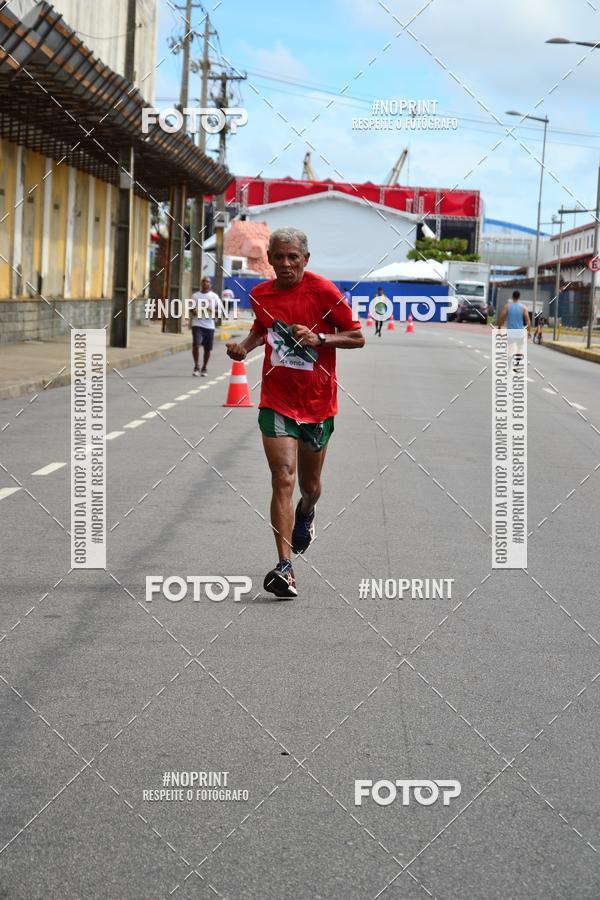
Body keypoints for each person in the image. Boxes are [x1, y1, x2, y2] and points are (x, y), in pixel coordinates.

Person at [226, 227, 365, 599]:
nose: (286, 264)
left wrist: (320, 338)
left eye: (293, 257)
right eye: (279, 257)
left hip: (317, 404)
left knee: (310, 487)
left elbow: (357, 336)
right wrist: (244, 347)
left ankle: (307, 512)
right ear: (269, 259)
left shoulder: (323, 292)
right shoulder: (260, 295)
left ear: (306, 259)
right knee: (282, 477)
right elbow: (262, 329)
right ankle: (284, 567)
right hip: (277, 400)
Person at [189, 276, 221, 376]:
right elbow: (191, 310)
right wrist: (197, 310)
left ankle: (204, 367)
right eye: (203, 281)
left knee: (207, 349)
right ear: (201, 283)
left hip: (209, 326)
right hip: (197, 324)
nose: (205, 283)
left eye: (207, 282)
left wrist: (210, 309)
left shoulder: (214, 297)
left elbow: (220, 312)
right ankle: (196, 366)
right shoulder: (195, 296)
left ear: (210, 284)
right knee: (196, 344)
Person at [498, 289, 531, 366]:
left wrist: (499, 326)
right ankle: (517, 363)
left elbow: (502, 317)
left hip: (510, 331)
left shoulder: (507, 306)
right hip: (519, 332)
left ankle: (509, 364)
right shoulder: (523, 307)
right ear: (519, 297)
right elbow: (528, 320)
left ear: (512, 297)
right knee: (519, 348)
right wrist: (529, 331)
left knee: (510, 348)